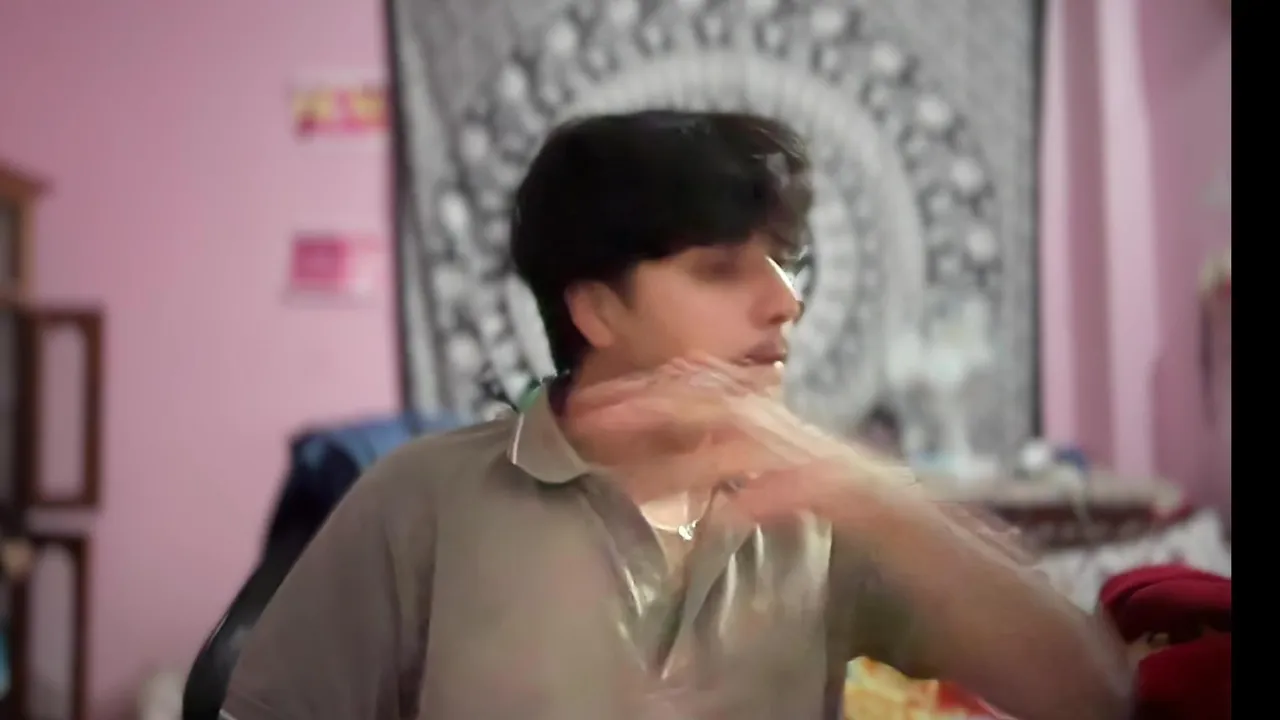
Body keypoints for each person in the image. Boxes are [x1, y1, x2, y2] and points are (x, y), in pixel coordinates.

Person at [221, 110, 1131, 719]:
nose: (786, 303)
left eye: (785, 263)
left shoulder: (822, 512)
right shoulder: (423, 501)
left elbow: (1089, 694)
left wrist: (869, 493)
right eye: (720, 269)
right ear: (597, 309)